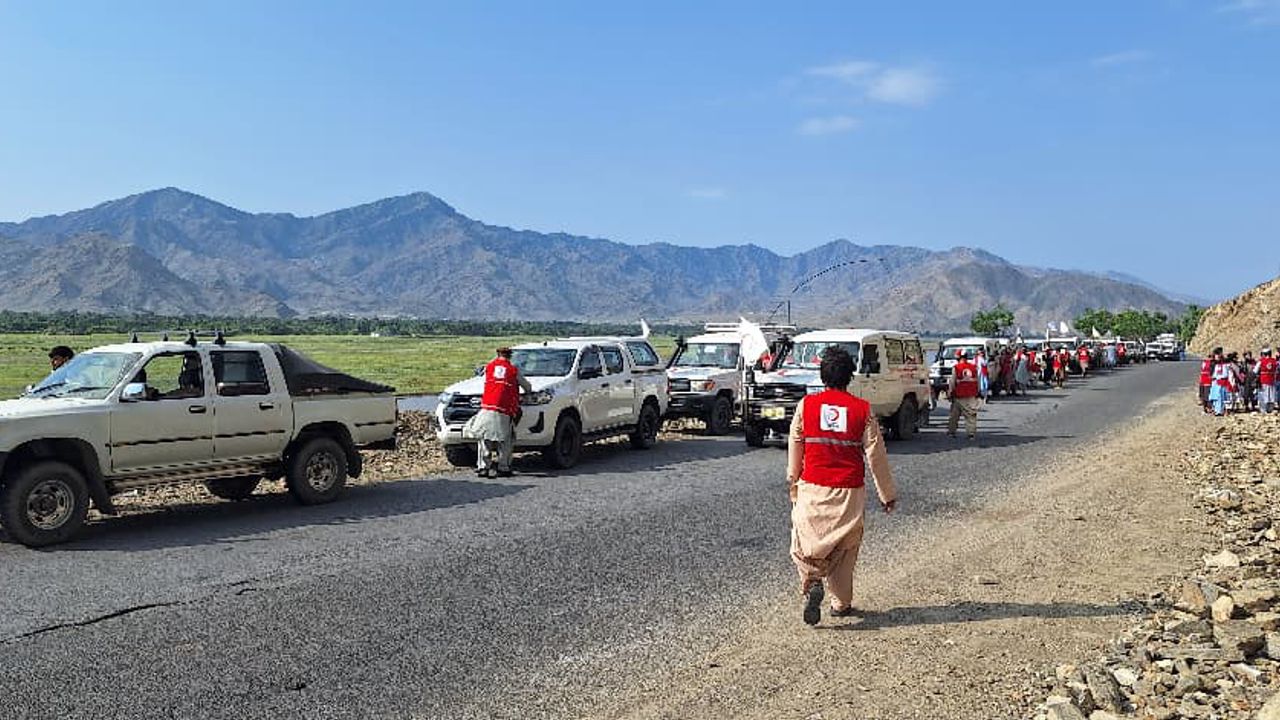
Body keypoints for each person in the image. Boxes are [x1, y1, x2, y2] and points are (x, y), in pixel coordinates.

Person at [787, 346, 897, 625]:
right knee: (845, 549)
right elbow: (875, 454)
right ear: (850, 376)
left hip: (812, 487)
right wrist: (886, 494)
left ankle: (812, 581)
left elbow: (796, 442)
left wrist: (793, 479)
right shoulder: (862, 410)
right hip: (849, 492)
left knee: (805, 542)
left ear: (823, 375)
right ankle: (841, 603)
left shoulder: (806, 405)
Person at [464, 347, 532, 478]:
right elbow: (527, 386)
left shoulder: (489, 367)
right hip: (504, 409)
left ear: (497, 354)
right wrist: (527, 393)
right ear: (510, 356)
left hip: (487, 407)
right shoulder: (513, 370)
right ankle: (503, 467)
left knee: (485, 438)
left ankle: (483, 467)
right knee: (505, 439)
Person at [947, 350, 982, 440]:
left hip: (959, 395)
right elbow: (978, 381)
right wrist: (978, 392)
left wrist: (950, 392)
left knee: (954, 415)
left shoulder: (956, 367)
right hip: (971, 395)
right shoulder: (973, 367)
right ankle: (971, 433)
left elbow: (952, 381)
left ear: (958, 357)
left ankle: (951, 432)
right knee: (971, 415)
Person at [1258, 349, 1277, 414]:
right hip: (1272, 380)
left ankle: (1263, 409)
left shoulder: (1261, 361)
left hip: (1263, 380)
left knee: (1264, 394)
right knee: (1271, 395)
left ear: (1264, 354)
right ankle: (1270, 409)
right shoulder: (1274, 361)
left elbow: (1255, 370)